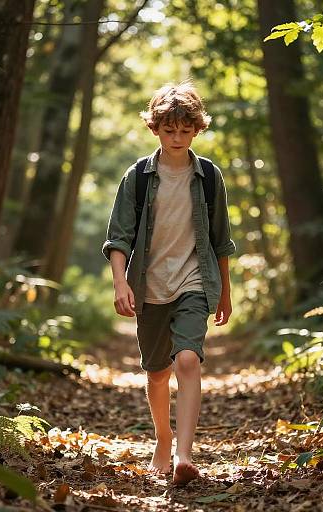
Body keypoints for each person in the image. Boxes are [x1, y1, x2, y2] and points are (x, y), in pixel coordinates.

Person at [102, 81, 235, 485]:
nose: (177, 138)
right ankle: (163, 438)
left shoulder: (209, 176)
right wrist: (119, 283)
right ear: (155, 129)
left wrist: (225, 291)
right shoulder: (138, 177)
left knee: (188, 360)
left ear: (197, 129)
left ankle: (184, 455)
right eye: (169, 130)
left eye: (185, 130)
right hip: (148, 285)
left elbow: (220, 240)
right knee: (158, 373)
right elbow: (119, 236)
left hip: (194, 282)